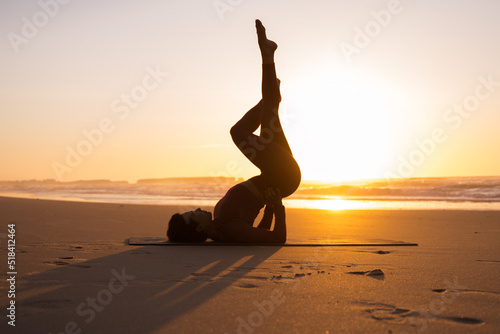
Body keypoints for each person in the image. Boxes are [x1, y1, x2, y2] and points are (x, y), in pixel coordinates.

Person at [167, 20, 301, 243]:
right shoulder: (229, 230)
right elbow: (276, 239)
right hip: (282, 176)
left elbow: (261, 232)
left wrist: (268, 209)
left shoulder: (223, 226)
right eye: (193, 214)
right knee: (238, 132)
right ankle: (267, 63)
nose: (197, 208)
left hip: (275, 173)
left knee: (268, 113)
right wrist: (276, 207)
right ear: (199, 229)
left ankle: (269, 87)